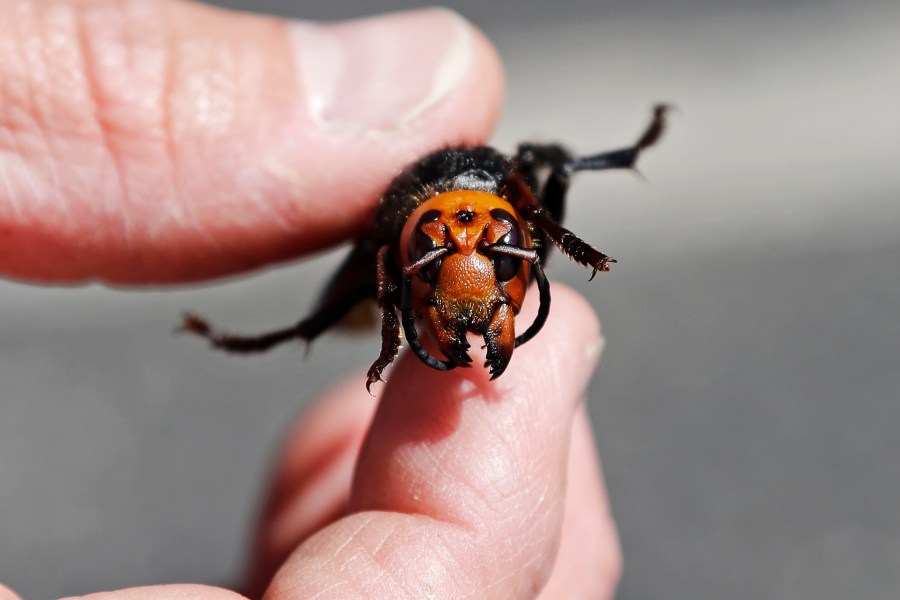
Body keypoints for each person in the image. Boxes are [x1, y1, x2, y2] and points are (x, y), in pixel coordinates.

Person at [0, 2, 620, 597]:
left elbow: (548, 166)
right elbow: (383, 262)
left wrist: (561, 225)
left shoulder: (512, 200)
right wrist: (387, 339)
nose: (470, 272)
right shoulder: (400, 244)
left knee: (549, 164)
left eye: (496, 250)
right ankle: (290, 334)